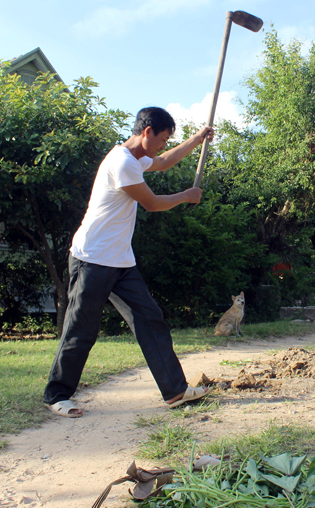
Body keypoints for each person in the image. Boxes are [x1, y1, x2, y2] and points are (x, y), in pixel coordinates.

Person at [43, 107, 214, 418]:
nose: (162, 145)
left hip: (120, 261)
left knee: (151, 320)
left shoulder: (136, 157)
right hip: (92, 259)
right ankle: (57, 395)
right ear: (146, 133)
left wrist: (197, 138)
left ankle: (175, 390)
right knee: (81, 329)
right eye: (162, 139)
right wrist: (185, 196)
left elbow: (162, 163)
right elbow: (151, 203)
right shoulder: (122, 162)